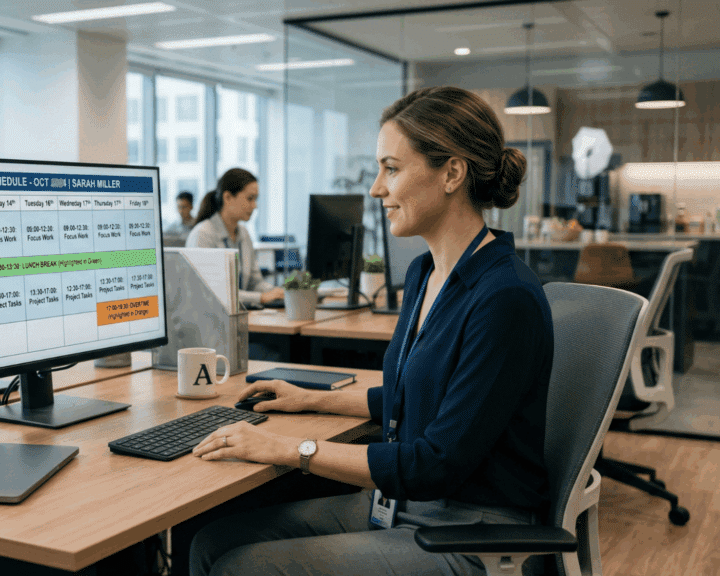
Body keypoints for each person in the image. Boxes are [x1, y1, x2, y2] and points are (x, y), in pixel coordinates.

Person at [186, 86, 554, 576]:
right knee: (210, 543)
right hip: (405, 505)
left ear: (451, 173)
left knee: (243, 567)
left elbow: (436, 463)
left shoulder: (504, 296)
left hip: (468, 530)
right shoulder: (427, 274)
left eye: (392, 168)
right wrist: (310, 399)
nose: (378, 188)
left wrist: (292, 450)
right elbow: (414, 396)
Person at [186, 168, 283, 307]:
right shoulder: (203, 234)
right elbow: (210, 292)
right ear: (228, 198)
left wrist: (279, 292)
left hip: (240, 316)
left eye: (255, 199)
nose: (254, 206)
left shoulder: (243, 233)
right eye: (250, 198)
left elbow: (254, 283)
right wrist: (261, 297)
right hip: (211, 321)